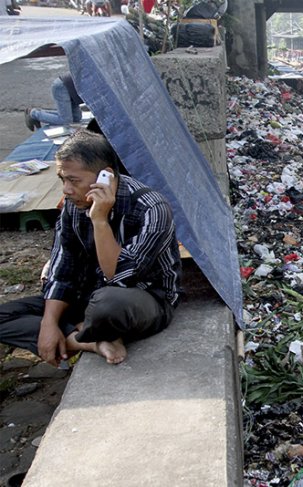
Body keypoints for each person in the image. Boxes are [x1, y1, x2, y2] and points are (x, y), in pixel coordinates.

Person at [0, 130, 182, 365]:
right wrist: (49, 324)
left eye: (74, 180)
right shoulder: (73, 206)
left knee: (107, 305)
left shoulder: (152, 208)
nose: (66, 189)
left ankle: (87, 329)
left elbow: (118, 277)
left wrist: (99, 220)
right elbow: (62, 267)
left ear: (105, 176)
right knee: (5, 315)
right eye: (62, 179)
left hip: (140, 299)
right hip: (88, 295)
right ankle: (86, 340)